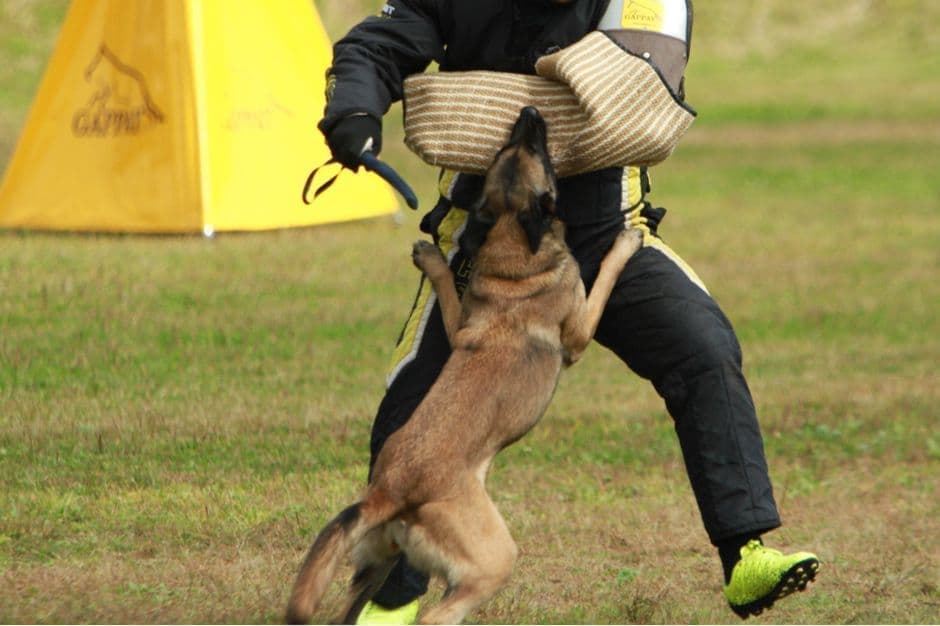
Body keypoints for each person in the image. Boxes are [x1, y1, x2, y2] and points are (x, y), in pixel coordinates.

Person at [317, 0, 819, 622]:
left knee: (703, 348)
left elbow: (642, 82)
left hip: (607, 233)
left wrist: (513, 95)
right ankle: (389, 607)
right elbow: (373, 45)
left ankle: (746, 552)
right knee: (414, 410)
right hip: (488, 245)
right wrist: (354, 109)